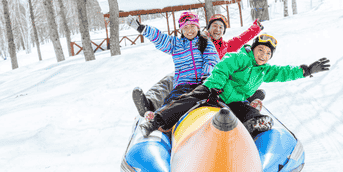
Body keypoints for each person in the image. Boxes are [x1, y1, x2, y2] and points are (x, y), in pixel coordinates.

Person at [139, 34, 331, 137]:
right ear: (254, 49)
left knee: (246, 110)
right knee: (190, 99)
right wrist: (213, 88)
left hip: (235, 101)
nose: (263, 55)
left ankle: (254, 124)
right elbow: (222, 68)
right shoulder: (240, 57)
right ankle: (156, 121)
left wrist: (306, 70)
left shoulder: (264, 70)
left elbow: (284, 72)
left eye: (267, 53)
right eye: (260, 50)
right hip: (215, 91)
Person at [131, 14, 264, 117]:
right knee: (167, 82)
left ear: (224, 31)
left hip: (212, 76)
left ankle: (247, 100)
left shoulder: (226, 46)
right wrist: (142, 28)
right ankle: (149, 104)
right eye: (214, 26)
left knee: (230, 83)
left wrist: (256, 28)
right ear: (207, 28)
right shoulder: (199, 37)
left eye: (221, 27)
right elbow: (162, 39)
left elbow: (241, 40)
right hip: (186, 74)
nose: (217, 29)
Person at [126, 12, 220, 117]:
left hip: (203, 84)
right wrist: (141, 28)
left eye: (192, 26)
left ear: (198, 27)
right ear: (181, 30)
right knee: (173, 102)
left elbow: (211, 60)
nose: (189, 30)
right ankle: (155, 118)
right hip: (183, 85)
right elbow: (160, 38)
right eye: (185, 28)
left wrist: (207, 78)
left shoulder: (205, 42)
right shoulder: (176, 44)